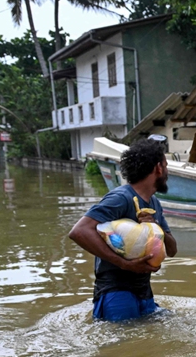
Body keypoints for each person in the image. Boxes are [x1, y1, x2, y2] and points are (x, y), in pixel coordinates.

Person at [68, 137, 178, 321]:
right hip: (116, 293)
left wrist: (155, 226)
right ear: (158, 168)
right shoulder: (120, 198)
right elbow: (79, 232)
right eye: (166, 166)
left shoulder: (154, 204)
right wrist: (124, 264)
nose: (167, 172)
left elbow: (173, 250)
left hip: (144, 293)